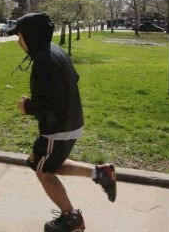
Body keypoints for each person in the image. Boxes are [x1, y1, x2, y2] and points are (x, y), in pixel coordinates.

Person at [7, 12, 116, 232]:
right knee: (49, 164)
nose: (19, 42)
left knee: (43, 171)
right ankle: (101, 173)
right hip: (72, 121)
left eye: (20, 36)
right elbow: (74, 78)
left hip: (57, 128)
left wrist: (27, 106)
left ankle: (71, 219)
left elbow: (52, 102)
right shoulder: (55, 51)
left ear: (31, 35)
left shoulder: (44, 61)